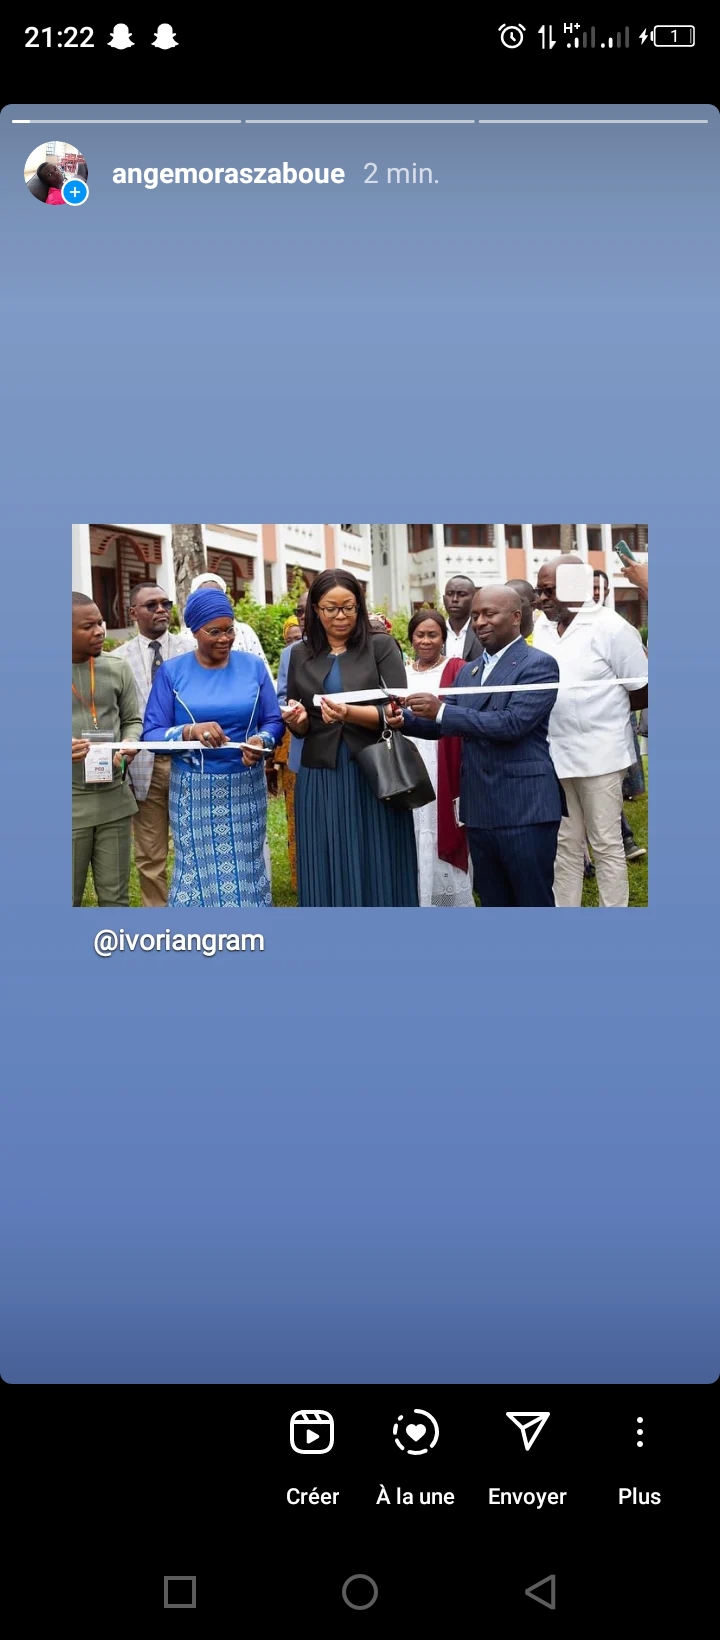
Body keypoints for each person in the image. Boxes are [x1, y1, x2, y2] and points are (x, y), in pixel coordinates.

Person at [401, 588, 563, 907]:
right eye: (475, 616)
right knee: (492, 901)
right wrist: (401, 720)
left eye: (489, 614)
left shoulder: (539, 665)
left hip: (524, 808)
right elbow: (443, 724)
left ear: (516, 617)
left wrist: (441, 710)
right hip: (479, 808)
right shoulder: (469, 671)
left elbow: (512, 724)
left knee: (531, 900)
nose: (479, 622)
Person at [283, 569, 418, 906]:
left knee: (377, 856)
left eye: (348, 608)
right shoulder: (300, 654)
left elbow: (397, 711)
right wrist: (298, 721)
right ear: (316, 610)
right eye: (331, 609)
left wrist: (349, 713)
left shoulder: (381, 646)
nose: (340, 616)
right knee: (324, 857)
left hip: (374, 771)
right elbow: (302, 721)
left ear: (359, 607)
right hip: (320, 775)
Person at [142, 588, 283, 907]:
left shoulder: (253, 667)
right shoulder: (172, 672)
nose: (225, 638)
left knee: (246, 872)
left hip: (246, 790)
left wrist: (262, 742)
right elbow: (151, 735)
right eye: (214, 632)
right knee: (197, 875)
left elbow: (273, 720)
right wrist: (189, 731)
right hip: (195, 793)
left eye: (229, 630)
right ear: (194, 631)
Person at [534, 556, 648, 907]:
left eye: (549, 590)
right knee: (564, 845)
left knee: (606, 844)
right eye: (539, 591)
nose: (541, 599)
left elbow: (642, 689)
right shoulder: (543, 628)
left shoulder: (612, 628)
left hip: (601, 756)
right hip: (554, 755)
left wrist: (599, 714)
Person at [114, 581, 194, 906]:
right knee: (150, 854)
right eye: (152, 605)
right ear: (133, 612)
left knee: (195, 846)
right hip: (143, 767)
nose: (161, 609)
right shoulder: (118, 659)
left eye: (166, 603)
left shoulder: (192, 650)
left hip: (190, 761)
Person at [72, 594, 142, 906]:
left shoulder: (117, 668)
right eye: (88, 626)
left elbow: (132, 720)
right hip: (70, 804)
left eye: (100, 622)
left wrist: (129, 742)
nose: (100, 630)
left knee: (115, 899)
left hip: (114, 801)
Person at [404, 609, 474, 907]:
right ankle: (416, 895)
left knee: (439, 820)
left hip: (443, 758)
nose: (426, 641)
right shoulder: (401, 672)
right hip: (409, 758)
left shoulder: (458, 669)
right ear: (411, 638)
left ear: (443, 638)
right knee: (413, 824)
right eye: (420, 635)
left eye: (433, 635)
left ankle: (446, 899)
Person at [592, 569, 647, 863]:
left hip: (610, 725)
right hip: (571, 736)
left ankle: (624, 839)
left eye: (600, 588)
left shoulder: (616, 627)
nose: (595, 592)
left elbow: (640, 685)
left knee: (607, 789)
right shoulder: (553, 628)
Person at [274, 596, 308, 895]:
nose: (304, 616)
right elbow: (282, 696)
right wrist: (296, 712)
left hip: (347, 747)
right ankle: (304, 884)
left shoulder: (353, 646)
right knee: (300, 818)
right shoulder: (290, 653)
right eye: (299, 611)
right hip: (301, 744)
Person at [184, 572, 272, 673]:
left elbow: (263, 670)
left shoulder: (245, 631)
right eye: (214, 632)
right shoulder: (185, 637)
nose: (224, 639)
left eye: (217, 594)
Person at [443, 576, 484, 661]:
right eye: (450, 594)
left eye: (462, 594)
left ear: (474, 599)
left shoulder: (483, 631)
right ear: (444, 599)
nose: (454, 599)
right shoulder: (435, 632)